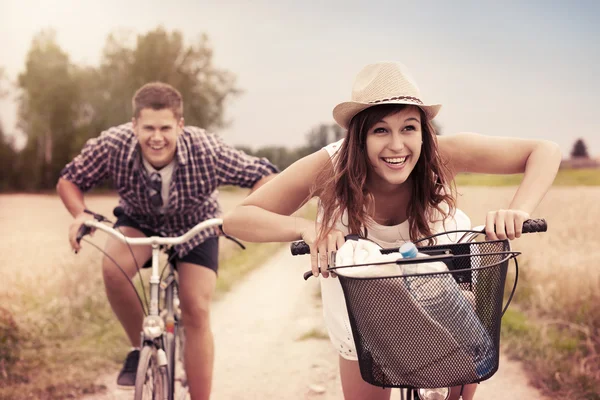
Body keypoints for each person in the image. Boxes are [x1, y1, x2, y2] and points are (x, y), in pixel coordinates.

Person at [222, 61, 561, 400]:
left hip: (442, 298)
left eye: (409, 128)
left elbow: (544, 151)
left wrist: (518, 210)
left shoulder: (441, 154)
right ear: (360, 137)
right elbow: (237, 219)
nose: (397, 145)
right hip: (362, 313)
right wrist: (308, 229)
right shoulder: (330, 168)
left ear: (423, 131)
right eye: (381, 130)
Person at [56, 82, 278, 400]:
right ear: (134, 125)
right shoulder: (114, 144)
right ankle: (138, 347)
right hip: (140, 222)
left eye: (165, 128)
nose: (156, 137)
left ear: (180, 126)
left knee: (195, 308)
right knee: (113, 271)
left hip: (198, 226)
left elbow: (266, 176)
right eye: (148, 127)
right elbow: (70, 179)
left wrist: (239, 216)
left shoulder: (206, 149)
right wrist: (80, 214)